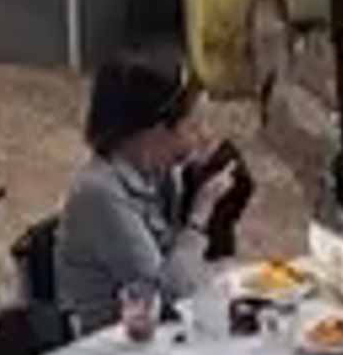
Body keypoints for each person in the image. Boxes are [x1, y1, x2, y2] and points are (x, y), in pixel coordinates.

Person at [52, 48, 242, 332]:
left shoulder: (160, 177)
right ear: (153, 132)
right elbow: (166, 296)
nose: (204, 137)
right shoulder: (99, 195)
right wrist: (199, 215)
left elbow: (198, 274)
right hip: (111, 353)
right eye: (193, 126)